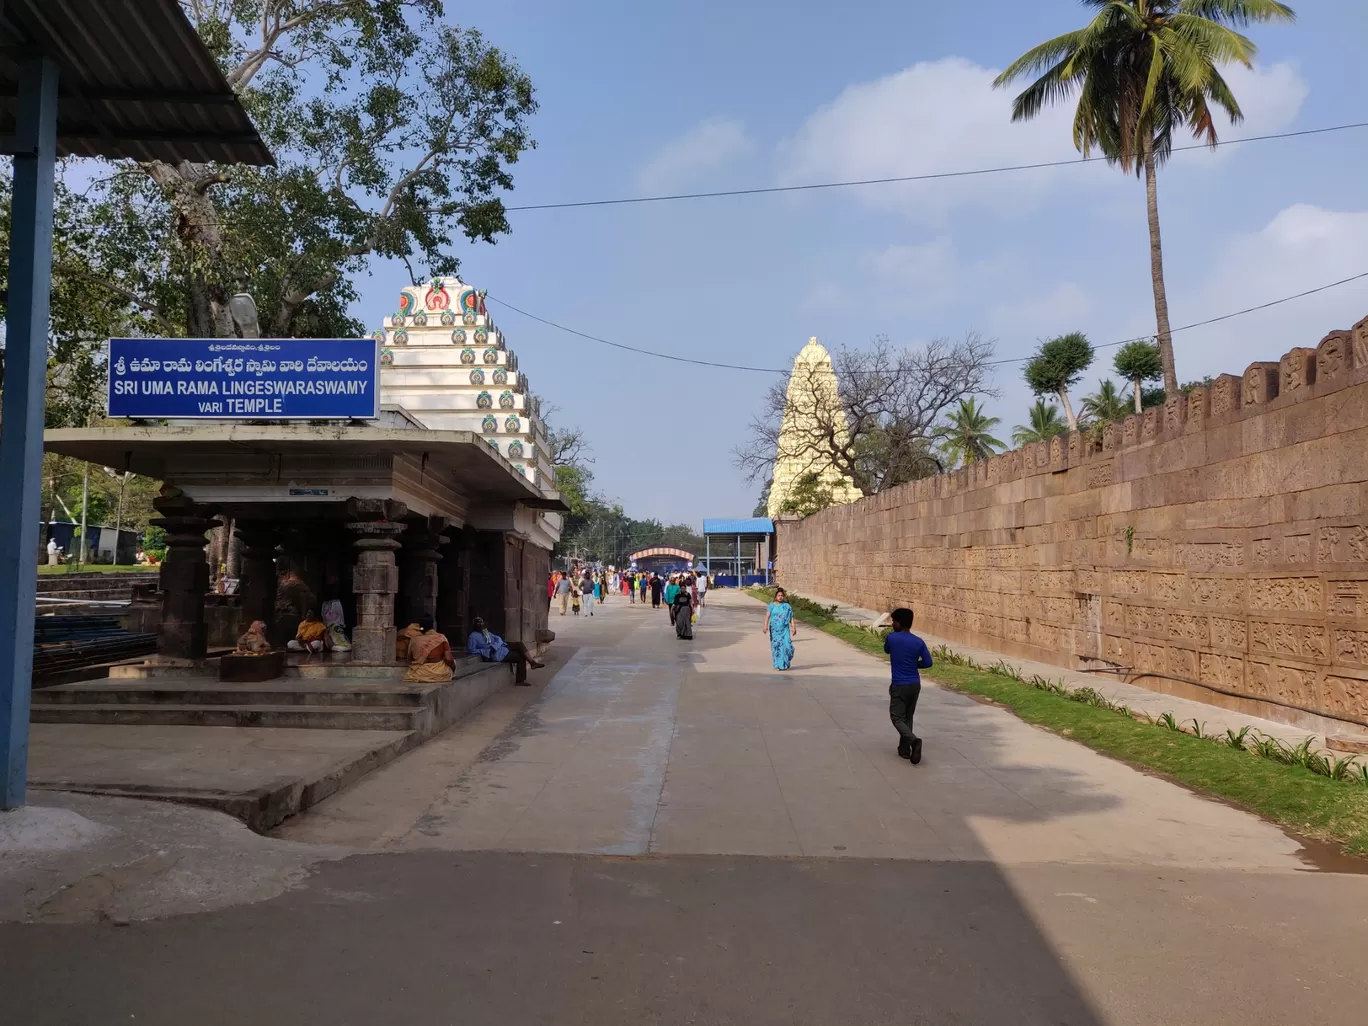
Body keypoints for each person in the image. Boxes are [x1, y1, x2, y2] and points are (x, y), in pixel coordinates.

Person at [885, 607, 933, 764]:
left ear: (898, 623)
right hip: (915, 684)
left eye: (893, 621)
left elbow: (887, 650)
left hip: (900, 684)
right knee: (908, 716)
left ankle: (913, 741)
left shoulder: (892, 638)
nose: (892, 624)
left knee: (897, 717)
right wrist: (913, 665)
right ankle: (904, 750)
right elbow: (928, 662)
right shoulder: (919, 642)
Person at [467, 615, 545, 685]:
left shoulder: (486, 632)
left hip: (501, 646)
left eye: (481, 623)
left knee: (519, 645)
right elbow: (471, 650)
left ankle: (532, 664)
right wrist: (485, 651)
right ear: (474, 625)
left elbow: (498, 638)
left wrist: (496, 645)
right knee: (520, 656)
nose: (480, 625)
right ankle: (526, 672)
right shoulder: (472, 636)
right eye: (478, 623)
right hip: (496, 654)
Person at [404, 615, 455, 682]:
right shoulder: (441, 638)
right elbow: (448, 659)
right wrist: (453, 668)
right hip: (439, 673)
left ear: (420, 626)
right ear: (432, 625)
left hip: (420, 673)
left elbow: (410, 658)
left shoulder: (414, 639)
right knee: (453, 662)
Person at [763, 588, 796, 671]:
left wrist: (793, 627)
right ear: (775, 597)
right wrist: (765, 626)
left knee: (787, 646)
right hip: (775, 630)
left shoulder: (787, 606)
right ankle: (777, 665)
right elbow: (767, 616)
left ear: (783, 597)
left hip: (785, 629)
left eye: (782, 596)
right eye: (778, 596)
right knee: (777, 647)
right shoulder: (771, 605)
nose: (780, 597)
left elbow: (791, 617)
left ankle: (786, 664)